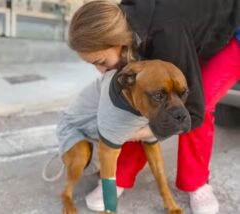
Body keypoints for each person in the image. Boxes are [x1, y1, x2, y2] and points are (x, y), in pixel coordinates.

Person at [65, 0, 240, 214]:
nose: (101, 71)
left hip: (232, 28)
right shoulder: (122, 19)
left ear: (117, 40)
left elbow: (193, 112)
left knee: (200, 102)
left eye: (100, 61)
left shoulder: (166, 34)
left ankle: (197, 184)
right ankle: (119, 178)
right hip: (188, 27)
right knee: (146, 98)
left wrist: (142, 132)